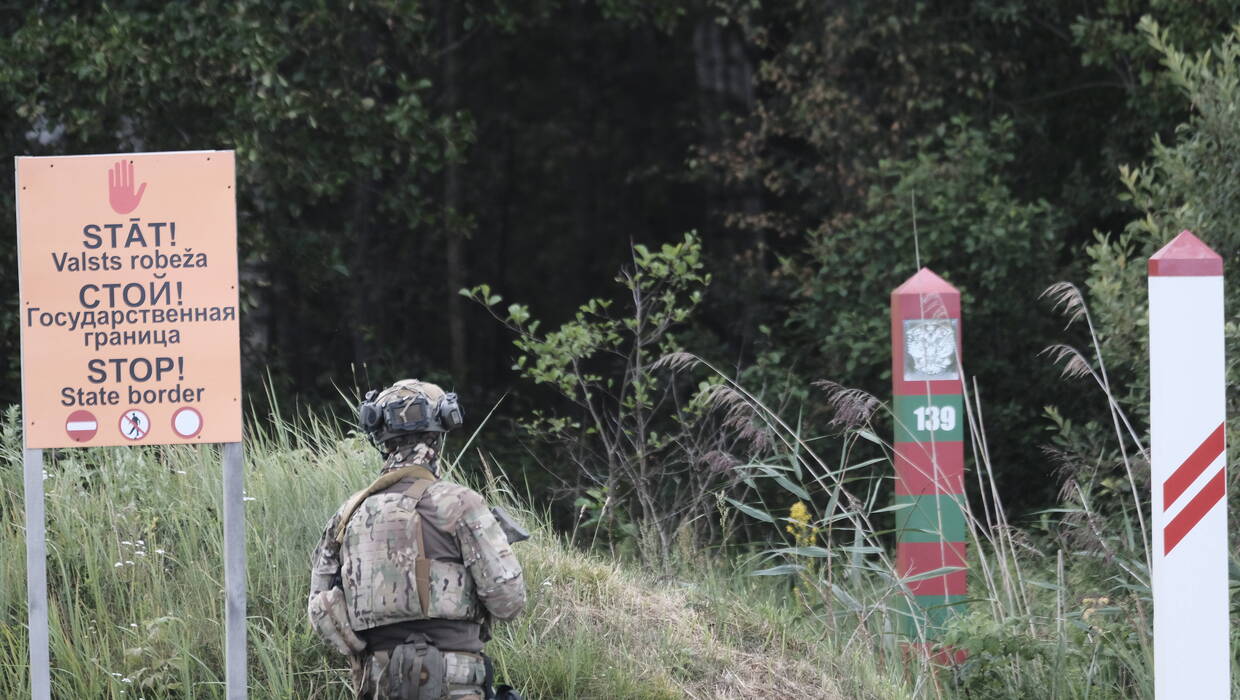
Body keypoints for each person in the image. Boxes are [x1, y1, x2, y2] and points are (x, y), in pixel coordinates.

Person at [308, 379, 526, 700]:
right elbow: (509, 602)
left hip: (378, 681)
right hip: (456, 681)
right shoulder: (461, 504)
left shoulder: (346, 515)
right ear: (441, 432)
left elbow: (320, 610)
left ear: (380, 435)